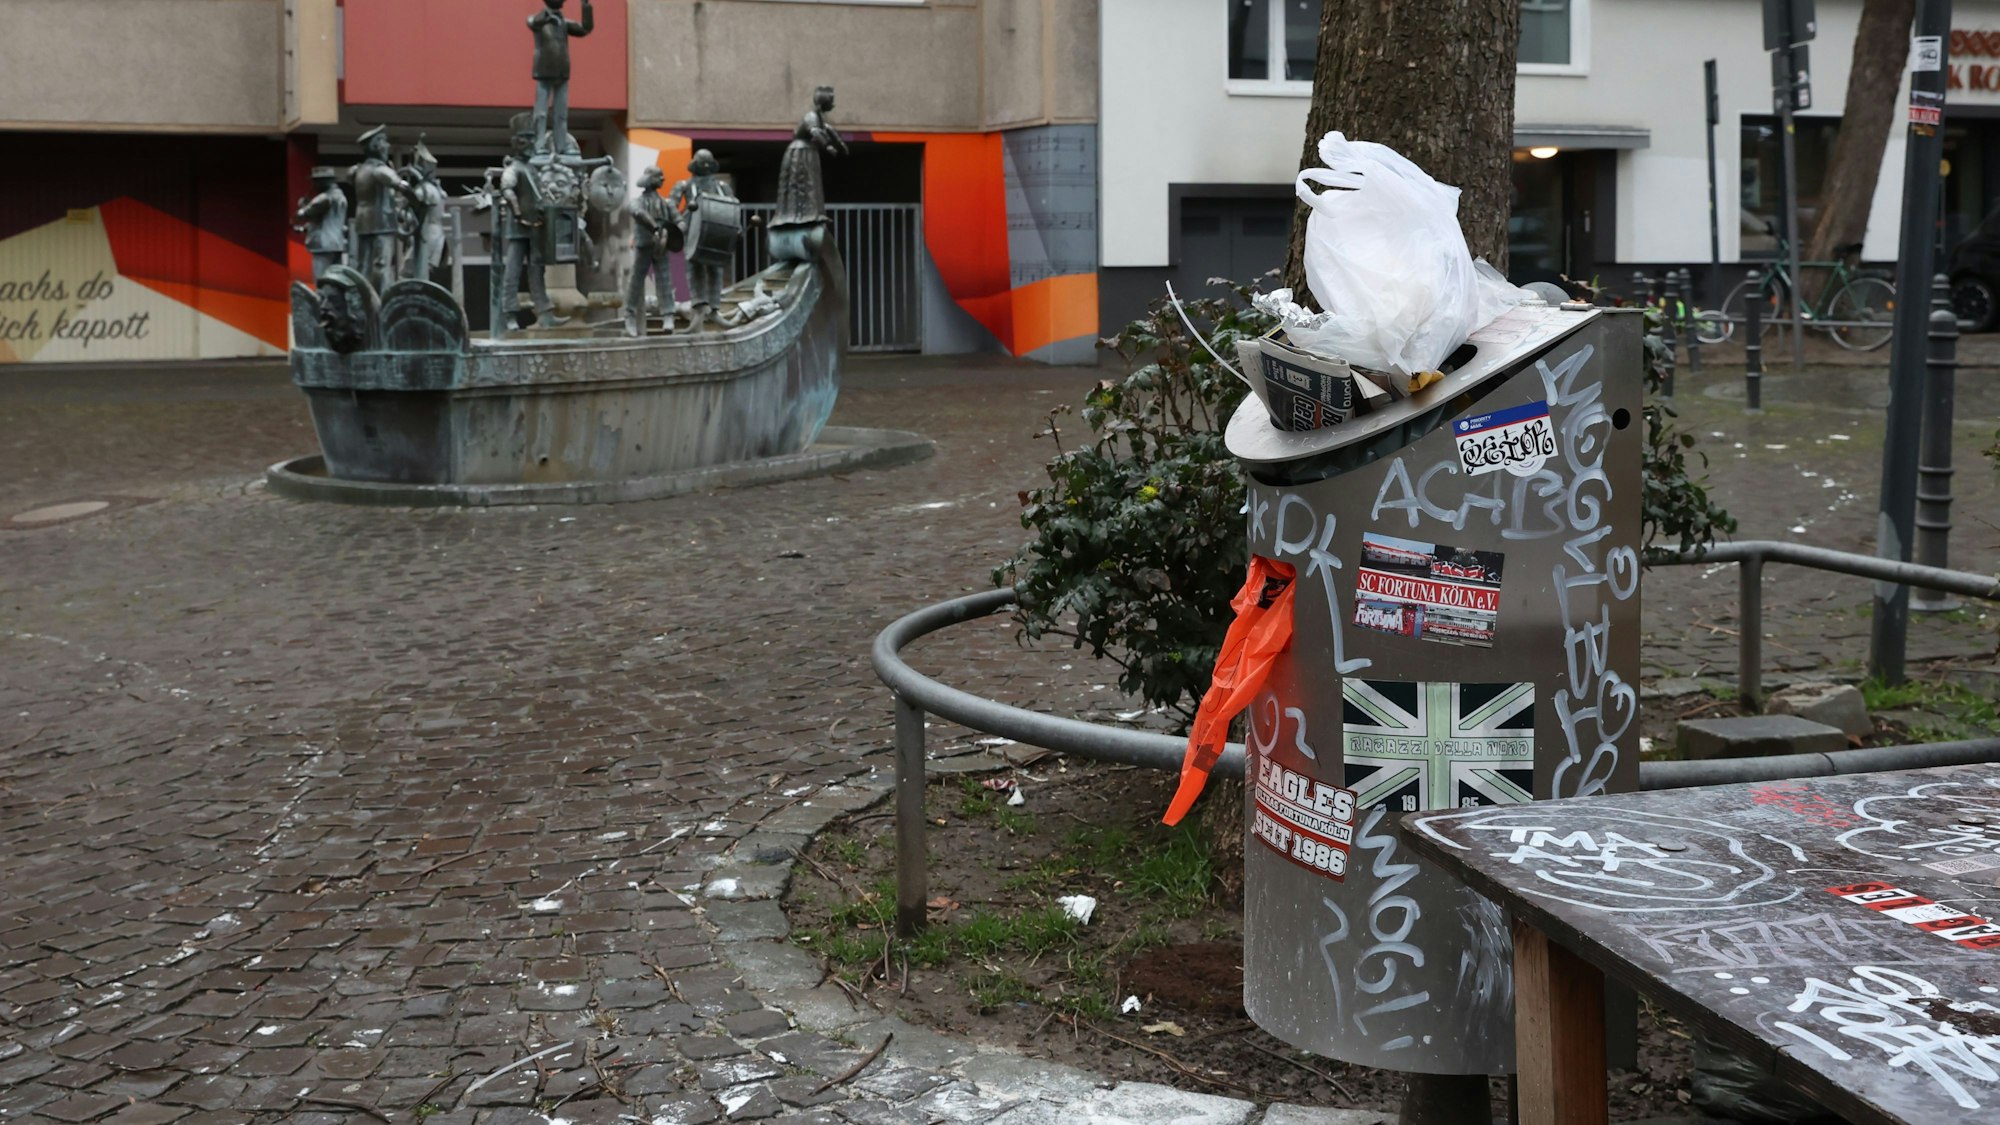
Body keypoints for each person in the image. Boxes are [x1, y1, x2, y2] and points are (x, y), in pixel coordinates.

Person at [491, 127, 561, 335]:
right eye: (528, 143)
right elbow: (508, 190)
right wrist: (519, 213)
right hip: (519, 226)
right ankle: (509, 314)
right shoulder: (514, 168)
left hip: (535, 225)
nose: (532, 147)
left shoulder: (531, 168)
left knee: (537, 269)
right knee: (512, 271)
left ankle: (544, 312)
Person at [669, 150, 738, 329]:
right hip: (692, 231)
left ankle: (714, 310)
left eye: (708, 164)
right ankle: (699, 310)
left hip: (717, 232)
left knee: (716, 268)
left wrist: (734, 228)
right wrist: (679, 221)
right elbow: (670, 205)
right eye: (702, 164)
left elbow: (732, 207)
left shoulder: (722, 187)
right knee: (694, 268)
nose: (705, 167)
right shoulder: (684, 185)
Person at [774, 85, 849, 229]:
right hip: (800, 153)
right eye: (831, 101)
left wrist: (840, 143)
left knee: (810, 185)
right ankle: (797, 216)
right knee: (801, 184)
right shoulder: (811, 116)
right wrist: (828, 146)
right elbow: (815, 131)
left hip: (808, 151)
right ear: (824, 102)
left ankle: (811, 214)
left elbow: (827, 128)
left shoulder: (819, 117)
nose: (833, 104)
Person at [528, 0, 593, 157]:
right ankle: (539, 145)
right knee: (540, 113)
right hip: (543, 72)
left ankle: (561, 145)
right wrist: (548, 15)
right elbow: (535, 21)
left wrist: (585, 6)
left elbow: (585, 28)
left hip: (562, 72)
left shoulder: (564, 23)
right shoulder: (537, 19)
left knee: (561, 113)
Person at [349, 125, 405, 294]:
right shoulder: (381, 170)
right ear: (376, 146)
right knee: (382, 264)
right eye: (384, 142)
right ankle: (382, 300)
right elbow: (402, 186)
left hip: (362, 222)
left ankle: (361, 298)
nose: (387, 146)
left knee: (363, 264)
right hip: (382, 223)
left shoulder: (356, 170)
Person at [624, 166, 677, 337]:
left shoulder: (667, 203)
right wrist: (654, 227)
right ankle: (629, 316)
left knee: (665, 280)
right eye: (658, 177)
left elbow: (679, 220)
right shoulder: (636, 202)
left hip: (661, 246)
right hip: (643, 244)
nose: (662, 180)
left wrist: (675, 232)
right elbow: (638, 213)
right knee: (636, 280)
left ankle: (668, 315)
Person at [401, 139, 450, 282]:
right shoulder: (436, 189)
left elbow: (412, 217)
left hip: (426, 234)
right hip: (435, 233)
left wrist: (402, 212)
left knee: (411, 275)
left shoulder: (424, 191)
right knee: (419, 274)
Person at [293, 167, 348, 284]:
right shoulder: (341, 196)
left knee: (321, 280)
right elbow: (323, 221)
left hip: (323, 245)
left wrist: (302, 206)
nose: (314, 184)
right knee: (335, 281)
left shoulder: (324, 198)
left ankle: (322, 301)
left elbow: (303, 214)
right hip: (337, 244)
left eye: (316, 181)